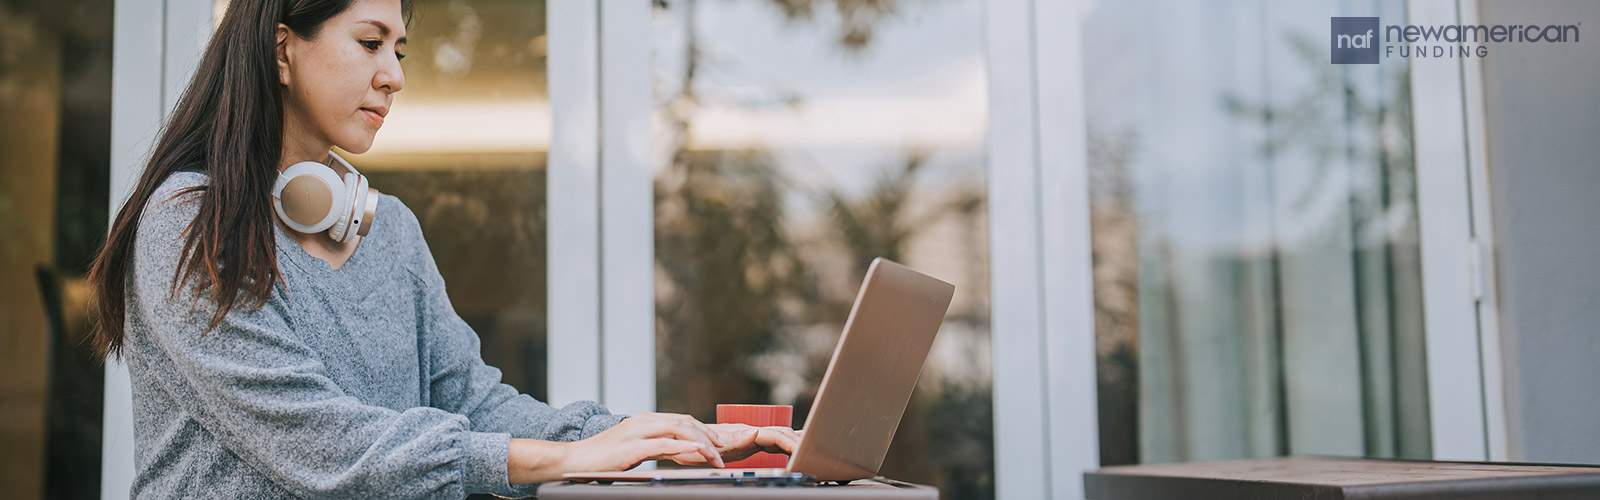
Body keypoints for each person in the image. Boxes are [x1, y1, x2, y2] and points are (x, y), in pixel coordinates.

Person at [86, 0, 799, 497]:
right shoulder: (189, 221)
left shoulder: (388, 230)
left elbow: (473, 404)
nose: (394, 73)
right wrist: (564, 459)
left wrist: (654, 437)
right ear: (282, 49)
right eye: (370, 43)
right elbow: (319, 441)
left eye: (398, 51)